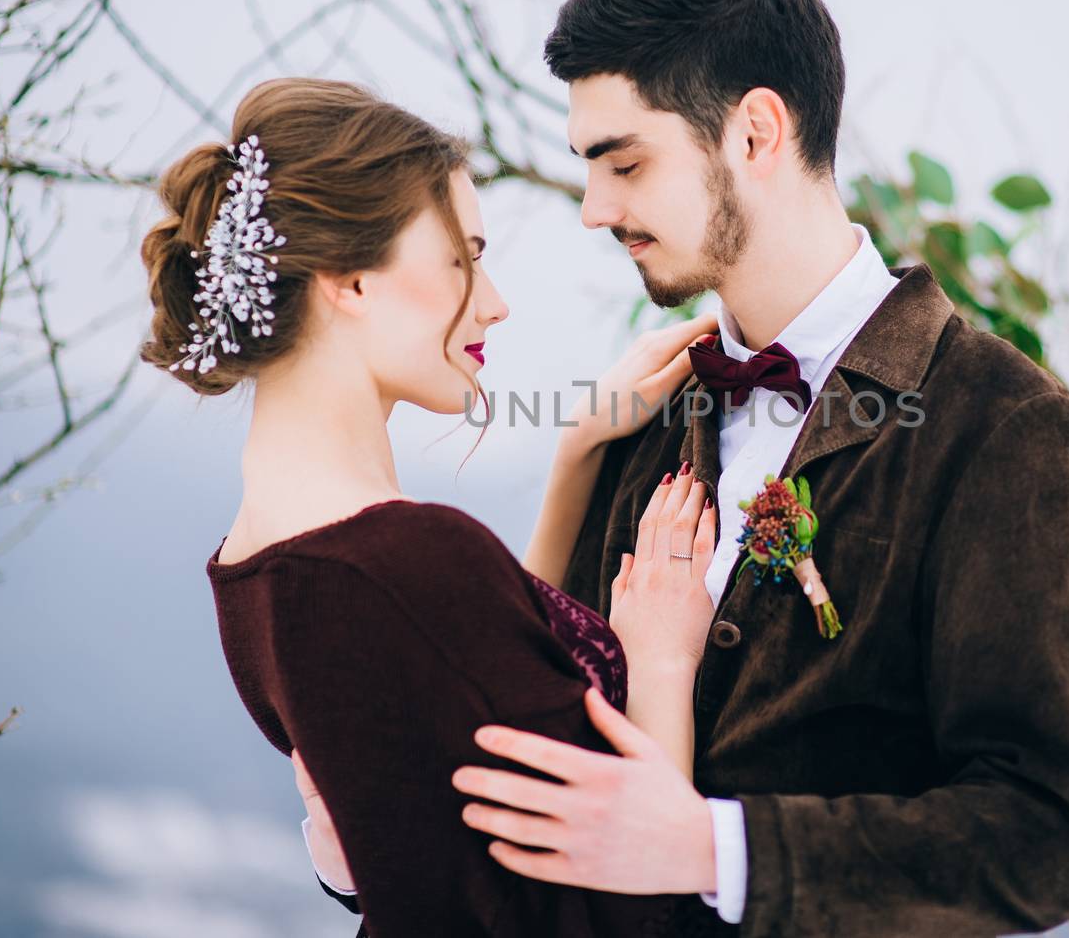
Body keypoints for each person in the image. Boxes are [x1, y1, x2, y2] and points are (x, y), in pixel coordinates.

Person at [303, 0, 1069, 937]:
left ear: (756, 133)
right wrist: (366, 846)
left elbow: (1042, 836)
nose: (593, 209)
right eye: (587, 166)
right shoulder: (639, 422)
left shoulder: (1004, 432)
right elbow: (554, 764)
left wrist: (709, 848)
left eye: (625, 163)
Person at [138, 75, 736, 936]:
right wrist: (663, 663)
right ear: (349, 281)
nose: (494, 301)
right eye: (465, 257)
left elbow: (475, 672)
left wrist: (574, 454)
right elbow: (631, 903)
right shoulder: (403, 561)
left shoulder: (251, 568)